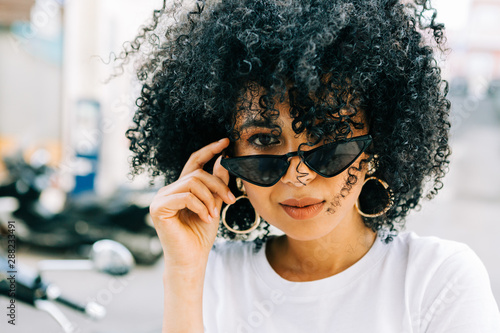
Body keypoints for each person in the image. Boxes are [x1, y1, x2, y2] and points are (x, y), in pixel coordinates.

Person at [123, 0, 500, 331]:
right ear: (223, 155)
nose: (298, 175)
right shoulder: (211, 278)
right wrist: (185, 273)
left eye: (328, 138)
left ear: (377, 145)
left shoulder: (439, 279)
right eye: (265, 140)